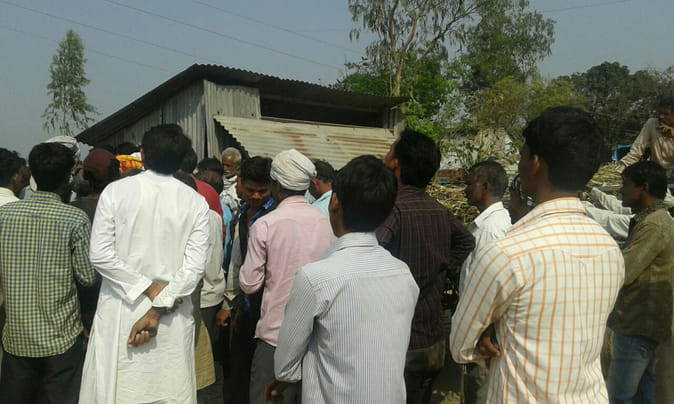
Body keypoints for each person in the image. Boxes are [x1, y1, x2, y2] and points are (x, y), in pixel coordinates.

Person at [451, 107, 625, 403]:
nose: (519, 164)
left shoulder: (507, 253)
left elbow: (460, 346)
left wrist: (492, 334)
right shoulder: (609, 250)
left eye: (521, 155)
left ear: (535, 163)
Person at [265, 155, 419, 404]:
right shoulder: (403, 274)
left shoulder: (315, 278)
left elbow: (285, 367)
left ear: (334, 201)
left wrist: (287, 377)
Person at [79, 124, 211, 404]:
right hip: (170, 314)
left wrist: (148, 289)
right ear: (181, 162)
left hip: (123, 310)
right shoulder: (196, 202)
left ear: (142, 154)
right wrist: (157, 301)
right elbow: (193, 270)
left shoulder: (115, 192)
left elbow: (100, 255)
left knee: (118, 391)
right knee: (168, 391)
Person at [376, 129, 475, 404]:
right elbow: (466, 241)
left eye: (389, 151)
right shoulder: (439, 210)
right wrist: (441, 266)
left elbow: (371, 251)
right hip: (433, 340)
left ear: (396, 164)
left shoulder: (393, 210)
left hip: (402, 343)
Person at [0, 143, 97, 404]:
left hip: (17, 337)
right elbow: (87, 277)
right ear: (67, 179)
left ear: (32, 176)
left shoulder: (4, 216)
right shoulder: (75, 219)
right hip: (61, 338)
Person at [239, 149, 335, 404]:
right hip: (317, 337)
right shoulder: (328, 224)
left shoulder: (265, 224)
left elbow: (249, 284)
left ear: (276, 186)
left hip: (275, 336)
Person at [606, 161, 674, 404]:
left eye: (626, 185)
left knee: (619, 396)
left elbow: (625, 271)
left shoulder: (654, 224)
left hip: (639, 324)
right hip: (646, 324)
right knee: (643, 396)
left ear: (642, 188)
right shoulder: (652, 221)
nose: (621, 190)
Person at [220, 156, 276, 404]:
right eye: (251, 190)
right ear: (240, 183)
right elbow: (236, 260)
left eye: (262, 191)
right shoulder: (242, 214)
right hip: (245, 306)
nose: (256, 196)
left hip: (269, 306)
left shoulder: (275, 217)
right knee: (239, 372)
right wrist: (229, 303)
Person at [459, 161, 511, 404]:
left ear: (486, 186)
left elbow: (492, 288)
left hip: (483, 333)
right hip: (483, 330)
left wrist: (482, 333)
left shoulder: (490, 230)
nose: (466, 189)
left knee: (479, 391)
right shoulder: (490, 223)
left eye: (470, 183)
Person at [70, 148, 120, 336]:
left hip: (80, 306)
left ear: (85, 176)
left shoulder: (71, 211)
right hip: (116, 300)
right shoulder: (123, 210)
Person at [618, 97, 674, 176]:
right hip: (656, 174)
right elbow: (636, 151)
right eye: (660, 113)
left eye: (666, 114)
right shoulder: (652, 124)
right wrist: (619, 169)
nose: (661, 117)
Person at [221, 147, 243, 219]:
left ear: (237, 166)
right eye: (223, 165)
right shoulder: (218, 181)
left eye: (228, 165)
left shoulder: (240, 186)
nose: (225, 169)